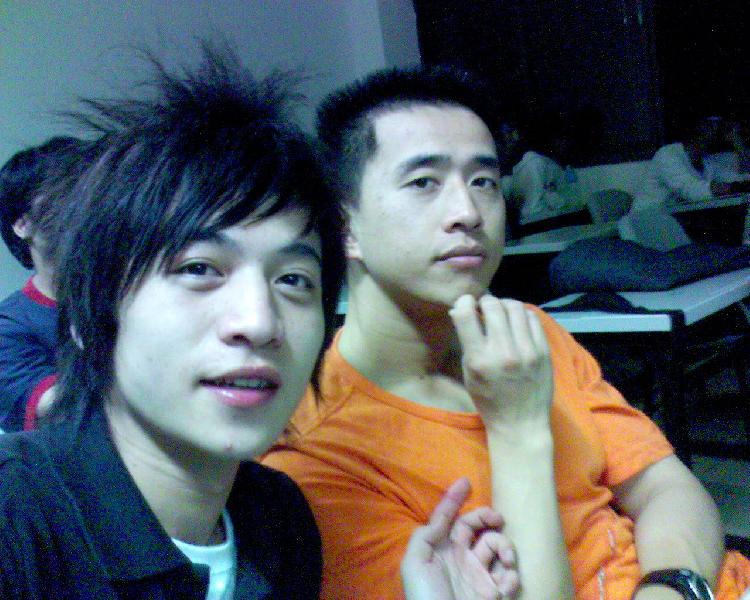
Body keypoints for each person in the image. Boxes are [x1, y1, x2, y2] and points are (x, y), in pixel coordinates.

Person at [0, 46, 519, 600]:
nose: (259, 321)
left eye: (293, 279)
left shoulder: (278, 521)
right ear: (86, 316)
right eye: (199, 269)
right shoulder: (18, 528)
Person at [262, 65, 750, 599]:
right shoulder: (317, 449)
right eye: (424, 183)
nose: (468, 212)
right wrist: (518, 428)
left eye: (484, 182)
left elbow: (663, 485)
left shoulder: (530, 333)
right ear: (343, 228)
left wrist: (671, 589)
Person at [0, 136, 89, 431]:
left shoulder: (136, 293)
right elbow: (60, 410)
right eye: (62, 190)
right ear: (22, 224)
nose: (82, 202)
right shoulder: (9, 326)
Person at [634, 115, 750, 212]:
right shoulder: (668, 154)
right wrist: (733, 188)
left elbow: (733, 178)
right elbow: (689, 189)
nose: (719, 130)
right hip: (644, 223)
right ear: (700, 126)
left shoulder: (706, 161)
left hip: (672, 221)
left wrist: (737, 142)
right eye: (713, 124)